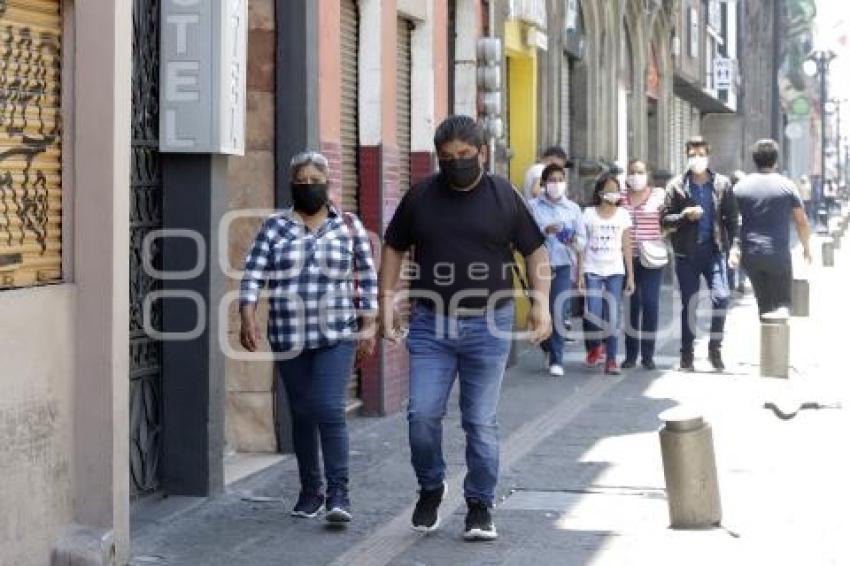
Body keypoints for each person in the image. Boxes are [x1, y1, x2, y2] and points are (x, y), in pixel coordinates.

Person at [379, 115, 552, 541]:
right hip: (430, 325)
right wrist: (385, 302)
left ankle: (479, 505)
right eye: (447, 157)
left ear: (482, 153)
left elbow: (534, 251)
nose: (456, 163)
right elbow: (394, 247)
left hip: (488, 325)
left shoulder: (503, 196)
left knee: (479, 420)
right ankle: (431, 486)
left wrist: (541, 302)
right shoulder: (421, 196)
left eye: (464, 156)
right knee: (421, 415)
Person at [239, 151, 378, 524]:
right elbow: (254, 273)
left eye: (315, 180)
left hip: (337, 334)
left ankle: (339, 494)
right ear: (291, 186)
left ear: (328, 183)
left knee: (329, 410)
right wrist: (247, 313)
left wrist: (368, 323)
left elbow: (366, 276)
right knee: (302, 413)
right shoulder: (274, 228)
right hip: (289, 334)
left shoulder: (348, 226)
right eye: (301, 182)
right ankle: (310, 490)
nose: (308, 187)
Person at [662, 136, 739, 372]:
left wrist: (735, 247)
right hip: (687, 253)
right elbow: (665, 220)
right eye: (693, 155)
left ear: (708, 154)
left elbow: (732, 220)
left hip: (714, 250)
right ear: (687, 156)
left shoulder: (722, 184)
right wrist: (685, 215)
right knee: (689, 303)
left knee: (721, 297)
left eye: (701, 154)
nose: (697, 159)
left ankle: (715, 348)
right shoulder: (676, 186)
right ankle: (687, 353)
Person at [731, 139, 812, 315]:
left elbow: (729, 220)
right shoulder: (787, 186)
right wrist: (806, 248)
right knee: (782, 304)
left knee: (764, 306)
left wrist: (734, 248)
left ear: (754, 160)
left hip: (751, 256)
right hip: (778, 256)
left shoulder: (740, 187)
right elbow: (801, 221)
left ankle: (769, 336)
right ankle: (778, 337)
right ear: (776, 160)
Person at [528, 162, 587, 376]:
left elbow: (582, 243)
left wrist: (570, 238)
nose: (556, 184)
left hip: (562, 265)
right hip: (539, 266)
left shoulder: (573, 209)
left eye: (560, 180)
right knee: (541, 310)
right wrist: (545, 230)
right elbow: (526, 237)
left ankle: (557, 358)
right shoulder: (533, 207)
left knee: (559, 311)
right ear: (543, 183)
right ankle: (547, 346)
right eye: (552, 180)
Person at [577, 174, 635, 375]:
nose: (613, 193)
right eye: (609, 189)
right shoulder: (589, 214)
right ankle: (595, 346)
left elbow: (627, 246)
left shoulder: (623, 215)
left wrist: (631, 276)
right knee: (592, 314)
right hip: (592, 269)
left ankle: (611, 360)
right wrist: (580, 275)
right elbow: (582, 246)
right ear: (600, 192)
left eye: (616, 189)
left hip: (615, 272)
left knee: (612, 316)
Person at [621, 159, 666, 370]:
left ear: (647, 174)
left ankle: (648, 354)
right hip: (627, 258)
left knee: (650, 303)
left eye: (640, 172)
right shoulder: (620, 197)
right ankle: (631, 354)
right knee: (632, 305)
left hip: (651, 258)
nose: (635, 176)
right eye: (632, 172)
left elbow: (668, 219)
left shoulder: (658, 195)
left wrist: (660, 237)